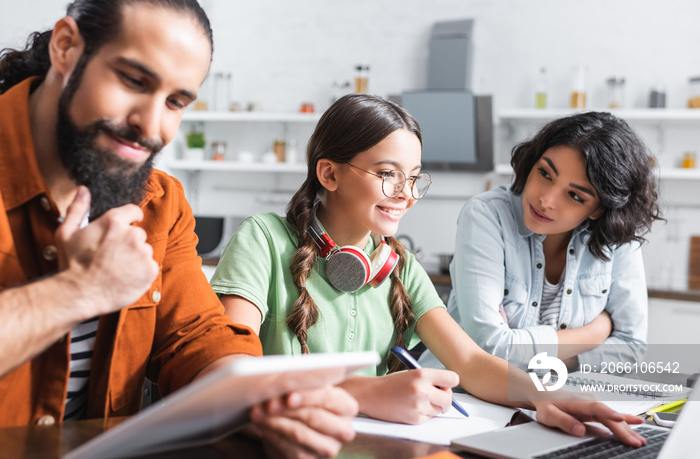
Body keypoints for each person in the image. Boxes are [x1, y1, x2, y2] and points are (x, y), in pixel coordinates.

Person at [0, 0, 357, 457]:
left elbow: (195, 335)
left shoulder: (160, 202)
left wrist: (262, 402)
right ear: (66, 47)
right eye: (132, 80)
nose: (150, 125)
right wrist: (80, 290)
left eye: (175, 101)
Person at [211, 94, 647, 447]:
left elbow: (473, 362)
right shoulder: (263, 238)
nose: (406, 194)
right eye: (387, 174)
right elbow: (230, 374)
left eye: (414, 177)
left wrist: (551, 397)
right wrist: (362, 392)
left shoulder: (400, 263)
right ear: (329, 173)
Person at [419, 111, 661, 373]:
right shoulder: (487, 214)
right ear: (532, 162)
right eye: (545, 173)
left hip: (554, 397)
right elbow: (490, 347)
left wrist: (535, 359)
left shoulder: (616, 238)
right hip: (462, 397)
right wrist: (594, 333)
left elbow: (630, 347)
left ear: (598, 209)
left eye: (574, 196)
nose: (546, 200)